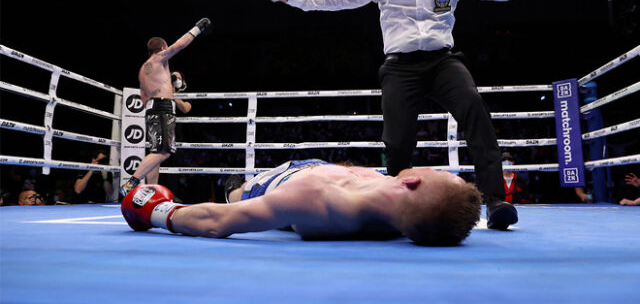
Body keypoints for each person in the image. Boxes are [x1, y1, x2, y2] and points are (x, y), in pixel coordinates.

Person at [244, 0, 583, 229]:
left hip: (442, 61)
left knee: (475, 108)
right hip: (399, 66)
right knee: (397, 141)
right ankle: (392, 208)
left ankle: (495, 202)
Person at [122, 159, 483, 246]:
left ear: (414, 180)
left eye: (439, 170)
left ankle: (233, 184)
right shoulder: (410, 216)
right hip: (320, 169)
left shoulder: (315, 198)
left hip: (277, 185)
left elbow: (219, 222)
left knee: (239, 191)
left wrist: (155, 211)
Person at [120, 18, 213, 197]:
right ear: (163, 48)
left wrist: (173, 82)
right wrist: (197, 28)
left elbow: (148, 95)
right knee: (163, 153)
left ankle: (149, 192)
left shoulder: (144, 69)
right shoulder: (160, 57)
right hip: (162, 109)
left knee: (155, 153)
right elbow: (179, 45)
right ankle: (130, 184)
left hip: (151, 110)